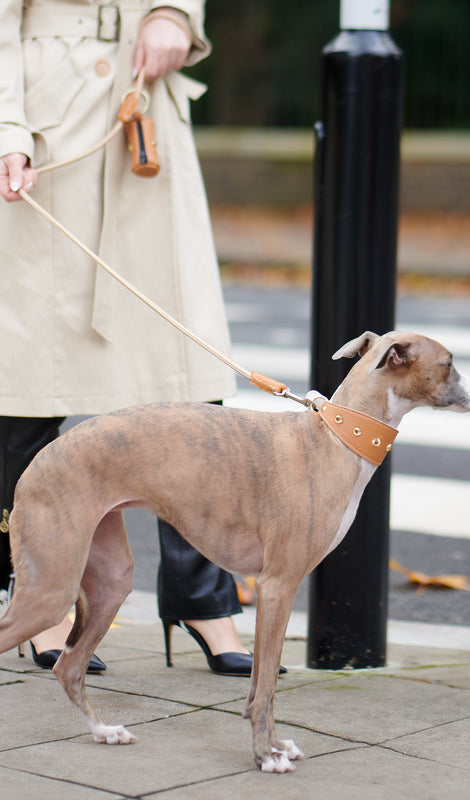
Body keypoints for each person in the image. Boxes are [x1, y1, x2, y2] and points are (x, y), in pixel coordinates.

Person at [0, 0, 255, 676]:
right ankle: (40, 595)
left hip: (143, 124)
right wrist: (7, 127)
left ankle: (204, 596)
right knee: (30, 386)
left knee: (189, 383)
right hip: (46, 132)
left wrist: (174, 12)